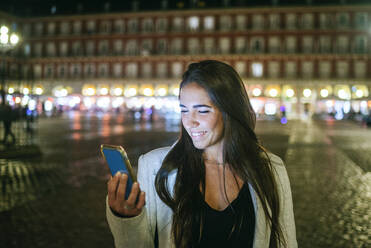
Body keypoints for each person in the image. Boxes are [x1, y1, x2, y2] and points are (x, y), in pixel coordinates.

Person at [106, 60, 297, 248]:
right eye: (184, 110)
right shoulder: (154, 167)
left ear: (230, 111)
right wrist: (127, 218)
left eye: (203, 111)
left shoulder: (272, 168)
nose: (190, 122)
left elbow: (286, 242)